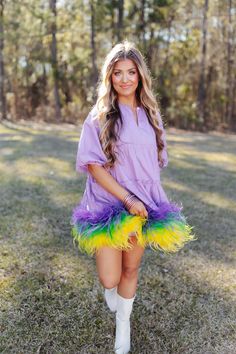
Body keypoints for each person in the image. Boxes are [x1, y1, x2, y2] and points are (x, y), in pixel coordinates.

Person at [71, 40, 196, 354]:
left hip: (142, 207)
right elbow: (93, 166)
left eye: (131, 72)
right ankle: (112, 294)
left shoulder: (151, 115)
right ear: (109, 77)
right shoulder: (99, 116)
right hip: (109, 206)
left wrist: (144, 199)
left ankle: (123, 325)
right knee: (109, 277)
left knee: (130, 269)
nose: (125, 79)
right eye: (117, 73)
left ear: (140, 76)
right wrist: (126, 199)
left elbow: (154, 164)